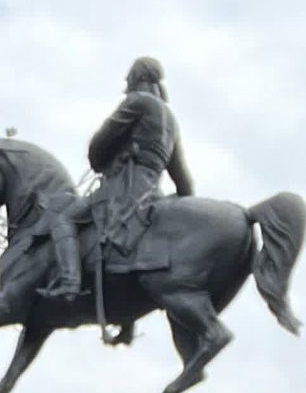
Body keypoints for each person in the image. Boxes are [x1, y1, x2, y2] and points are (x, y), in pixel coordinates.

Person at [47, 54, 195, 305]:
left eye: (129, 78)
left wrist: (102, 160)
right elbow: (185, 184)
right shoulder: (171, 121)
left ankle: (69, 282)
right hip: (152, 194)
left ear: (136, 77)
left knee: (63, 218)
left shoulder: (137, 101)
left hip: (122, 191)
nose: (126, 83)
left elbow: (99, 144)